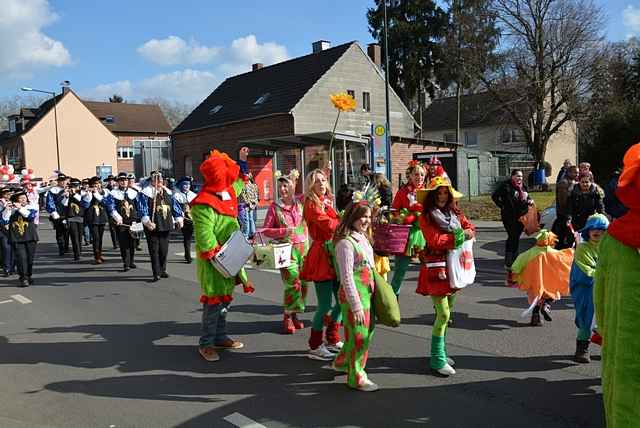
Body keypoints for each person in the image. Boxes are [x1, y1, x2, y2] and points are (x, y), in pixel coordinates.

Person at [191, 150, 254, 362]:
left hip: (231, 255)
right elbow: (204, 235)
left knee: (225, 301)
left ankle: (220, 336)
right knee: (213, 302)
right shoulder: (203, 202)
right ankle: (206, 343)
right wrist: (218, 256)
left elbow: (240, 183)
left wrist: (242, 162)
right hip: (214, 261)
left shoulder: (227, 192)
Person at [594, 142, 640, 428]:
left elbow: (601, 294)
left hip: (623, 350)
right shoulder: (613, 240)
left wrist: (603, 330)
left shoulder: (613, 239)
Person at [416, 176, 474, 377]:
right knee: (443, 315)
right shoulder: (426, 217)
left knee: (447, 314)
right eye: (438, 192)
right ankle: (437, 359)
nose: (441, 196)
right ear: (432, 195)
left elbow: (471, 228)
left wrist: (466, 232)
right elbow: (435, 241)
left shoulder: (454, 212)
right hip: (436, 269)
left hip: (454, 268)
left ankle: (441, 352)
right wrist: (460, 235)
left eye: (445, 192)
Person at [332, 201, 379, 392]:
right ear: (352, 218)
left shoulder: (363, 238)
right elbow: (347, 277)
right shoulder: (345, 243)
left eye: (368, 216)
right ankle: (356, 376)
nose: (366, 220)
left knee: (363, 333)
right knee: (360, 336)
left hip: (367, 295)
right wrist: (356, 306)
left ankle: (343, 361)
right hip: (355, 298)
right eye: (362, 216)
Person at [300, 169, 342, 361]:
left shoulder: (326, 202)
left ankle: (332, 338)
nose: (322, 184)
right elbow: (329, 225)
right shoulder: (311, 203)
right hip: (322, 255)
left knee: (342, 300)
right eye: (317, 182)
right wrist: (344, 220)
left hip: (334, 252)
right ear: (311, 185)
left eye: (324, 180)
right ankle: (315, 345)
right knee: (325, 304)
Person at [261, 169, 309, 334]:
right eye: (280, 186)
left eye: (285, 185)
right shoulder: (275, 207)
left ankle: (295, 315)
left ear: (294, 186)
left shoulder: (301, 202)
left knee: (304, 285)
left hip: (304, 250)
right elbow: (266, 230)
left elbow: (314, 189)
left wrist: (326, 170)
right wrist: (283, 231)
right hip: (286, 250)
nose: (282, 189)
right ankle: (287, 316)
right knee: (292, 283)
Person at [511, 230, 574, 326]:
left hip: (533, 282)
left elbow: (516, 265)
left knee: (535, 298)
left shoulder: (529, 253)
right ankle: (546, 305)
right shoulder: (555, 253)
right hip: (550, 282)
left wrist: (514, 274)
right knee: (552, 295)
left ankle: (536, 316)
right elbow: (566, 260)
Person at [569, 213, 609, 363]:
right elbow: (585, 272)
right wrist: (606, 276)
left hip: (606, 289)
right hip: (586, 290)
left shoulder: (610, 248)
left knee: (607, 319)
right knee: (586, 319)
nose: (597, 232)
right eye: (594, 228)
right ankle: (582, 349)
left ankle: (607, 348)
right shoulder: (583, 248)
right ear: (588, 231)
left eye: (602, 229)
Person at [138, 171, 183, 282]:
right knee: (154, 250)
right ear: (152, 182)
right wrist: (147, 221)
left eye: (161, 180)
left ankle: (163, 270)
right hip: (152, 226)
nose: (159, 182)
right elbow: (142, 208)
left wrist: (179, 219)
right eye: (156, 180)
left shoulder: (168, 193)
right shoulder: (145, 193)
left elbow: (175, 207)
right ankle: (156, 272)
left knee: (164, 250)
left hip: (166, 225)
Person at [390, 160, 427, 296]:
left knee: (434, 269)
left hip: (425, 236)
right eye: (416, 174)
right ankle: (392, 304)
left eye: (422, 175)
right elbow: (393, 212)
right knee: (400, 272)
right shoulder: (403, 192)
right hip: (405, 237)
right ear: (410, 175)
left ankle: (439, 307)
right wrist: (405, 217)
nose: (419, 177)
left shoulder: (428, 192)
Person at [491, 169, 533, 282]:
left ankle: (513, 259)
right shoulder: (506, 186)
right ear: (512, 176)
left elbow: (527, 197)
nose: (520, 178)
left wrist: (529, 200)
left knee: (515, 237)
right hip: (509, 216)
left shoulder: (523, 186)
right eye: (517, 176)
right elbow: (494, 196)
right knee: (512, 235)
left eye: (521, 176)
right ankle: (510, 260)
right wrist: (502, 206)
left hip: (521, 216)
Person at [2, 190, 38, 287]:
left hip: (30, 237)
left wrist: (20, 208)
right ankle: (23, 278)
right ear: (16, 200)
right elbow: (5, 220)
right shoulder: (12, 210)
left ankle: (28, 275)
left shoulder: (31, 207)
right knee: (21, 259)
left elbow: (30, 216)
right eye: (21, 199)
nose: (24, 200)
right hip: (17, 238)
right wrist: (7, 209)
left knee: (30, 259)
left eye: (24, 198)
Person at [105, 172, 141, 272]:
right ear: (118, 182)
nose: (124, 182)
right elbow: (111, 207)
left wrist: (140, 218)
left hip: (134, 220)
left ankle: (132, 261)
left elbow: (139, 206)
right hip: (121, 221)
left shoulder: (134, 192)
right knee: (124, 242)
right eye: (121, 180)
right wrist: (117, 217)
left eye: (125, 180)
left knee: (133, 241)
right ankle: (126, 263)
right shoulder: (113, 193)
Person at [82, 176, 110, 265]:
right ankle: (96, 256)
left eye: (98, 184)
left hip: (101, 216)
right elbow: (85, 205)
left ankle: (100, 254)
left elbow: (106, 203)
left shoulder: (103, 192)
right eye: (95, 184)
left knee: (100, 238)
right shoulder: (88, 193)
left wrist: (99, 193)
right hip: (92, 217)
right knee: (96, 238)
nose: (97, 186)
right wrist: (89, 193)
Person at [553, 165, 579, 249]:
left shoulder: (572, 182)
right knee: (562, 232)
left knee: (567, 233)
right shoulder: (564, 183)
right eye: (575, 172)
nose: (577, 174)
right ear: (569, 172)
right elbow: (562, 201)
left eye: (578, 172)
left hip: (569, 212)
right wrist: (566, 213)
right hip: (563, 213)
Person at [173, 176, 197, 263]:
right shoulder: (176, 195)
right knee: (187, 238)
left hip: (193, 219)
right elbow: (175, 208)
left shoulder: (193, 195)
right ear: (181, 185)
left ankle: (190, 255)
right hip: (183, 219)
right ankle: (188, 256)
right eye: (185, 184)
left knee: (192, 238)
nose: (187, 186)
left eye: (188, 184)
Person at [45, 174, 69, 255]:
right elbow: (50, 202)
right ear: (58, 181)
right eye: (61, 181)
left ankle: (66, 246)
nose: (63, 182)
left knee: (67, 231)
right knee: (59, 232)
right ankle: (61, 247)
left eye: (64, 181)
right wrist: (53, 212)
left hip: (68, 213)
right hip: (58, 213)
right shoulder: (53, 190)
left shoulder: (69, 188)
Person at [65, 178, 86, 261]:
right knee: (74, 236)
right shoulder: (67, 193)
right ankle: (76, 253)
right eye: (73, 186)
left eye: (76, 186)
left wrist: (74, 193)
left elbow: (82, 201)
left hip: (80, 217)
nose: (74, 187)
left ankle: (79, 251)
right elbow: (64, 204)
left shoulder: (82, 193)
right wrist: (66, 196)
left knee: (80, 236)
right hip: (71, 217)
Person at [237, 173, 259, 240]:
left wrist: (248, 202)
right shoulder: (254, 185)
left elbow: (244, 196)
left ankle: (246, 234)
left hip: (246, 204)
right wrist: (254, 202)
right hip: (253, 204)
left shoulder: (244, 185)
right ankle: (253, 233)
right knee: (251, 219)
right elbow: (257, 195)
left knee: (247, 219)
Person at [0, 188, 14, 277]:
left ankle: (11, 267)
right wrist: (4, 207)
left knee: (12, 247)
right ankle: (7, 268)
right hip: (2, 227)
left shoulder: (13, 202)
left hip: (12, 227)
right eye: (5, 194)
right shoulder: (0, 203)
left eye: (9, 193)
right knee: (6, 247)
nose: (8, 195)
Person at [104, 175, 119, 250]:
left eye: (112, 180)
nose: (111, 181)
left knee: (119, 227)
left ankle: (119, 241)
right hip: (110, 211)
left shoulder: (117, 188)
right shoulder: (106, 189)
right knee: (112, 228)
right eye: (109, 180)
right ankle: (115, 243)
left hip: (118, 210)